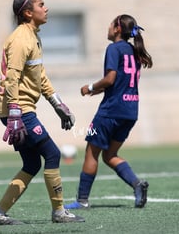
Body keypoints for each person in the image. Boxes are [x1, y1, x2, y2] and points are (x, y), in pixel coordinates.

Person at [0, 0, 85, 225]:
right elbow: (12, 78)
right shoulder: (21, 39)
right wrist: (15, 113)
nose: (46, 8)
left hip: (19, 109)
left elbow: (39, 77)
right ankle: (59, 212)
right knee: (52, 154)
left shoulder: (33, 36)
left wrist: (57, 103)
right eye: (41, 5)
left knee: (32, 164)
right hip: (18, 110)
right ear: (28, 13)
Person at [64, 14, 153, 210]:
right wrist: (97, 90)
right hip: (130, 111)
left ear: (117, 29)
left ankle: (82, 201)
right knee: (110, 154)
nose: (108, 27)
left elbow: (111, 78)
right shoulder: (133, 50)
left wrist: (89, 86)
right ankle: (137, 184)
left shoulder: (113, 48)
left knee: (91, 154)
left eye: (110, 24)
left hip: (110, 111)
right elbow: (119, 82)